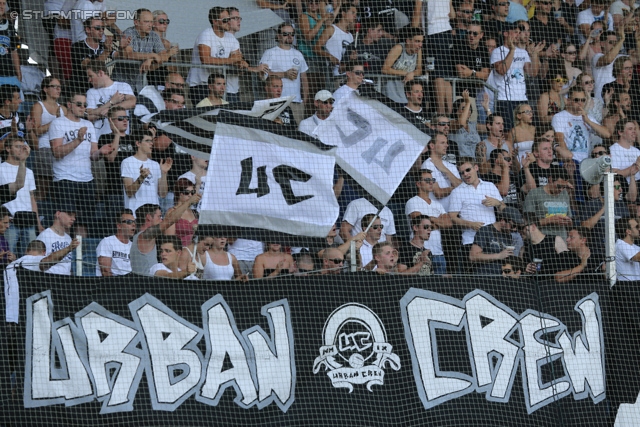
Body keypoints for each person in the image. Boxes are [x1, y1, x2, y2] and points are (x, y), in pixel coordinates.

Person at [49, 91, 112, 233]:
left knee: (83, 222)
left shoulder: (89, 124)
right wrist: (77, 140)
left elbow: (93, 156)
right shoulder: (58, 123)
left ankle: (79, 254)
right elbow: (57, 153)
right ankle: (64, 253)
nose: (82, 107)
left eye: (85, 105)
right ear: (69, 105)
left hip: (87, 180)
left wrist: (101, 152)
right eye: (79, 104)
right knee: (64, 221)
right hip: (65, 179)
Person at [449, 157, 505, 270]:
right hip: (470, 239)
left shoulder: (490, 186)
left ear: (476, 167)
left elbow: (504, 210)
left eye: (468, 170)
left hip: (492, 239)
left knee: (496, 273)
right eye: (462, 172)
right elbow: (452, 217)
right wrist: (470, 224)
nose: (465, 174)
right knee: (475, 276)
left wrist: (497, 203)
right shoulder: (457, 191)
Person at [130, 192, 201, 275]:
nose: (161, 220)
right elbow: (169, 220)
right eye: (159, 216)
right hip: (146, 284)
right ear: (148, 217)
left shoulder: (140, 237)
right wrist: (188, 202)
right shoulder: (145, 236)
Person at [491, 23, 542, 132]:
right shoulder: (497, 51)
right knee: (509, 131)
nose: (518, 35)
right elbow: (501, 70)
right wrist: (512, 50)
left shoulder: (523, 52)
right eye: (515, 32)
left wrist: (534, 55)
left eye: (519, 33)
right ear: (505, 33)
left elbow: (532, 73)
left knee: (524, 130)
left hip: (522, 98)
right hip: (505, 99)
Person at [187, 7, 245, 104]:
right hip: (201, 83)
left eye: (229, 19)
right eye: (225, 20)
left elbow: (237, 59)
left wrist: (241, 63)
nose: (229, 23)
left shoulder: (231, 38)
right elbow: (205, 59)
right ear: (215, 22)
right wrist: (231, 60)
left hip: (218, 85)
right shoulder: (206, 35)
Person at [260, 23, 310, 124]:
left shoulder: (298, 54)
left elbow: (304, 78)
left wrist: (304, 100)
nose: (289, 36)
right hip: (277, 101)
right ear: (278, 36)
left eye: (292, 34)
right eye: (285, 34)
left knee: (297, 133)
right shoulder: (270, 52)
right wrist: (284, 74)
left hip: (296, 102)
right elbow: (262, 75)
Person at [0, 136, 41, 256]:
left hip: (28, 220)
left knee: (30, 257)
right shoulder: (1, 168)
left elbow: (32, 198)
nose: (21, 149)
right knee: (8, 255)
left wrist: (37, 222)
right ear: (7, 148)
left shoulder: (29, 171)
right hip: (10, 222)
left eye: (23, 147)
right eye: (17, 146)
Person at [405, 169, 451, 274]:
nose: (431, 183)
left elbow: (448, 223)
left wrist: (429, 221)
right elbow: (419, 221)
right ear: (418, 183)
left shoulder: (437, 204)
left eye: (432, 180)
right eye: (427, 180)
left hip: (439, 253)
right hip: (420, 254)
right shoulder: (412, 202)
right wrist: (438, 221)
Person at [118, 8, 177, 91]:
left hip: (140, 84)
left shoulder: (154, 35)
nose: (150, 25)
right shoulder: (129, 33)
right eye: (146, 22)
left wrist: (150, 59)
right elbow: (129, 55)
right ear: (136, 22)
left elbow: (163, 55)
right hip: (122, 81)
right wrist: (152, 55)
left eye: (151, 21)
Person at [552, 87, 611, 163]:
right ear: (568, 101)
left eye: (583, 100)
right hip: (568, 161)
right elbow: (560, 141)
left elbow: (606, 134)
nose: (580, 103)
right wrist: (568, 160)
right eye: (576, 100)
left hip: (585, 162)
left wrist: (588, 121)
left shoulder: (587, 117)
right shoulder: (559, 117)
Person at [121, 129, 172, 214]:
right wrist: (141, 178)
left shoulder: (155, 164)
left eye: (152, 141)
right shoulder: (127, 162)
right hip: (136, 213)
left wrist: (164, 173)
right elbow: (129, 192)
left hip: (154, 214)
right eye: (147, 141)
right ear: (138, 143)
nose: (151, 143)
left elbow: (162, 194)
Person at [30, 77, 64, 201]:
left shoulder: (63, 108)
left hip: (61, 150)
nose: (58, 89)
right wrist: (56, 121)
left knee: (58, 191)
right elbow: (36, 130)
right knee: (42, 191)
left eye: (59, 87)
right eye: (54, 86)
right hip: (44, 149)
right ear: (45, 89)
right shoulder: (38, 106)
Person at [85, 60, 136, 139]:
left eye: (91, 76)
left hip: (121, 137)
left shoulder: (122, 86)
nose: (89, 80)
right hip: (99, 138)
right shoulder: (91, 92)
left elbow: (132, 102)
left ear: (100, 73)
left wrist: (109, 109)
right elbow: (89, 115)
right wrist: (111, 102)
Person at [523, 164, 573, 241]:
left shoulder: (564, 194)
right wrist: (550, 220)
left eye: (564, 187)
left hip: (562, 240)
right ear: (550, 179)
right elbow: (527, 224)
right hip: (542, 240)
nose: (561, 190)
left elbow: (570, 217)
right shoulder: (534, 194)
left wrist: (568, 221)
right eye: (559, 186)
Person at [469, 206, 522, 274]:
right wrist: (498, 256)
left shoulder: (508, 235)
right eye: (513, 226)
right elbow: (473, 256)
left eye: (517, 227)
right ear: (502, 221)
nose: (514, 229)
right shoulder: (485, 231)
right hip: (484, 276)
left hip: (501, 277)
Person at [381, 27, 424, 103]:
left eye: (421, 41)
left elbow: (419, 70)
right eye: (417, 41)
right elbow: (385, 69)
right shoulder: (398, 48)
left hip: (406, 94)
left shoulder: (418, 51)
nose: (420, 45)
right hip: (391, 92)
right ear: (408, 41)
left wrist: (412, 73)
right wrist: (406, 74)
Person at [421, 133, 462, 211]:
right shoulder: (427, 165)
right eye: (442, 143)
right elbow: (438, 193)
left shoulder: (450, 166)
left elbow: (461, 187)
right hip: (437, 213)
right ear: (432, 146)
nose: (446, 145)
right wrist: (454, 187)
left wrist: (445, 170)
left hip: (454, 213)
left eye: (446, 143)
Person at [314, 3, 357, 78]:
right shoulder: (331, 29)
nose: (355, 16)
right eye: (352, 13)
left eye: (356, 14)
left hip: (346, 75)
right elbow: (316, 47)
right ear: (343, 13)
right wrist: (329, 56)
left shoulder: (350, 36)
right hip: (331, 75)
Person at [69, 17, 108, 95]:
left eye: (103, 28)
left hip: (101, 90)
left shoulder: (103, 46)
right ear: (88, 29)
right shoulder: (78, 46)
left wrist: (121, 47)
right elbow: (89, 65)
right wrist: (107, 51)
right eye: (97, 28)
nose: (101, 31)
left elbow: (119, 55)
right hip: (81, 90)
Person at [36, 205, 76, 275]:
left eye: (74, 216)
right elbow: (38, 263)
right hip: (50, 279)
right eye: (69, 214)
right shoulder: (45, 235)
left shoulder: (68, 238)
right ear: (58, 214)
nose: (73, 219)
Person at [96, 209, 135, 276]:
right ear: (119, 226)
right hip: (112, 284)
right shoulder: (107, 242)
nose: (133, 225)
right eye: (129, 222)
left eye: (134, 222)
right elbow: (106, 271)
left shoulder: (134, 246)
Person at [165, 179, 198, 247]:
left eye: (192, 192)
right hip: (180, 251)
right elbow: (169, 238)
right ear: (179, 193)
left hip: (194, 251)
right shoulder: (171, 212)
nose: (190, 195)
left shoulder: (195, 213)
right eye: (187, 192)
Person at [610, 118, 640, 184]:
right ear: (620, 132)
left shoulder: (637, 151)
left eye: (635, 129)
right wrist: (635, 167)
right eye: (630, 129)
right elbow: (614, 175)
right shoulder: (613, 150)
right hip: (623, 188)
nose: (634, 131)